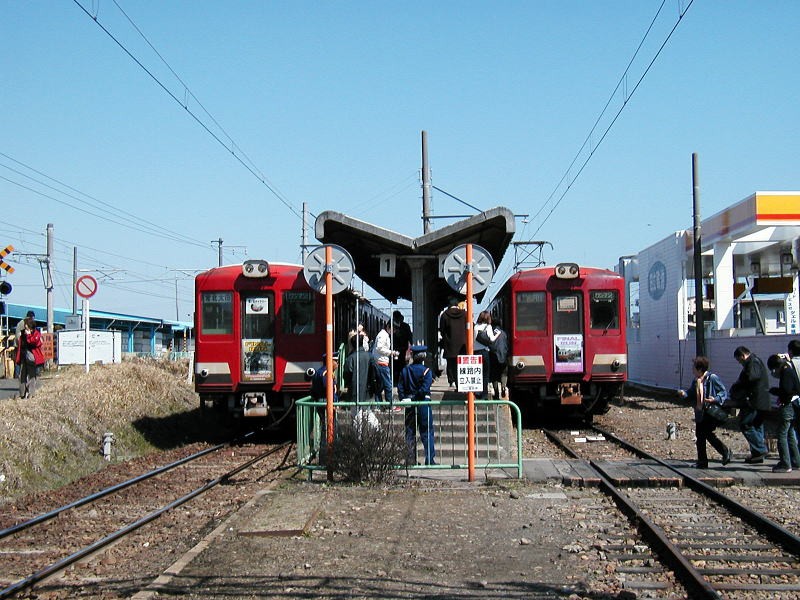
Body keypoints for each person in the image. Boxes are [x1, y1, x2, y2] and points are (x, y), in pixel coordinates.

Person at [678, 356, 733, 469]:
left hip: (710, 411)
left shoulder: (712, 378)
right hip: (700, 412)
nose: (692, 370)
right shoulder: (696, 381)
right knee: (700, 436)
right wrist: (684, 394)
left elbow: (723, 392)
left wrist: (715, 399)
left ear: (699, 369)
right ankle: (703, 461)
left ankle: (725, 452)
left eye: (694, 367)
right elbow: (692, 392)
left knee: (707, 433)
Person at [730, 346, 771, 464]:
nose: (740, 363)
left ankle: (760, 449)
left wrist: (739, 386)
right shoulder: (755, 361)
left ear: (742, 356)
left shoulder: (752, 362)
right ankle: (757, 455)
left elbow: (751, 378)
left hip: (754, 400)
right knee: (757, 425)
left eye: (739, 360)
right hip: (760, 400)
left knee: (746, 424)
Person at [397, 344, 436, 465]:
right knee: (427, 431)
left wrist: (405, 399)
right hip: (423, 402)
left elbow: (400, 388)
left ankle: (410, 459)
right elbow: (425, 388)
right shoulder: (427, 371)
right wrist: (416, 397)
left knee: (410, 432)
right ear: (423, 357)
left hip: (409, 404)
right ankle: (429, 459)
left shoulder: (405, 370)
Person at [766, 353, 800, 473]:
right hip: (794, 404)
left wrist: (774, 391)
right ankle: (796, 461)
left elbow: (786, 390)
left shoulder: (786, 373)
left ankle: (785, 464)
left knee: (781, 434)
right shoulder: (790, 370)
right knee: (790, 433)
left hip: (787, 406)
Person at [343, 333, 378, 407]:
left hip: (354, 393)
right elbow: (375, 373)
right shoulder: (370, 356)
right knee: (368, 416)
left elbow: (347, 375)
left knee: (356, 416)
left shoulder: (350, 358)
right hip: (368, 393)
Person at [15, 315, 45, 399]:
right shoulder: (22, 335)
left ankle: (31, 394)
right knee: (22, 376)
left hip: (32, 359)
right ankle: (22, 394)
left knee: (32, 376)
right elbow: (20, 345)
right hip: (24, 357)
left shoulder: (36, 334)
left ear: (31, 328)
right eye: (25, 328)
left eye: (27, 328)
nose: (25, 330)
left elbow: (35, 342)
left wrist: (28, 335)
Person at [439, 297, 466, 388]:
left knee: (450, 364)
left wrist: (446, 337)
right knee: (461, 364)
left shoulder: (444, 315)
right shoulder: (465, 314)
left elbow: (442, 330)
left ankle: (452, 381)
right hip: (463, 344)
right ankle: (461, 381)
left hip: (449, 344)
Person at [474, 311, 499, 399]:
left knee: (477, 373)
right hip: (484, 352)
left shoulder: (475, 327)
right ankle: (484, 394)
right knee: (485, 374)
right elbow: (492, 339)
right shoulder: (488, 327)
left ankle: (477, 392)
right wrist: (497, 334)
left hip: (475, 353)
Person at [373, 321, 397, 408]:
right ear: (388, 327)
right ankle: (390, 405)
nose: (393, 332)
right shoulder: (383, 335)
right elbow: (379, 348)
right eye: (393, 329)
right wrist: (391, 352)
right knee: (388, 385)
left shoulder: (383, 334)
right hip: (381, 363)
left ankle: (378, 405)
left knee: (380, 386)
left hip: (380, 362)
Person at [391, 310, 413, 384]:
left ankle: (397, 380)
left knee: (397, 365)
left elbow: (410, 336)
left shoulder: (392, 324)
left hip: (398, 349)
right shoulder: (405, 326)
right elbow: (410, 337)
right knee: (400, 365)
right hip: (400, 348)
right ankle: (400, 379)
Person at [489, 321, 509, 400]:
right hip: (503, 356)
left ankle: (496, 393)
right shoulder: (503, 333)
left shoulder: (491, 333)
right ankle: (503, 386)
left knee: (494, 376)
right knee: (504, 373)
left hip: (493, 356)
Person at [13, 310, 35, 378]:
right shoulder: (24, 323)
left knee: (19, 360)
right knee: (21, 360)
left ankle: (18, 374)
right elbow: (20, 335)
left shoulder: (21, 322)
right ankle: (19, 375)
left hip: (19, 344)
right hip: (21, 345)